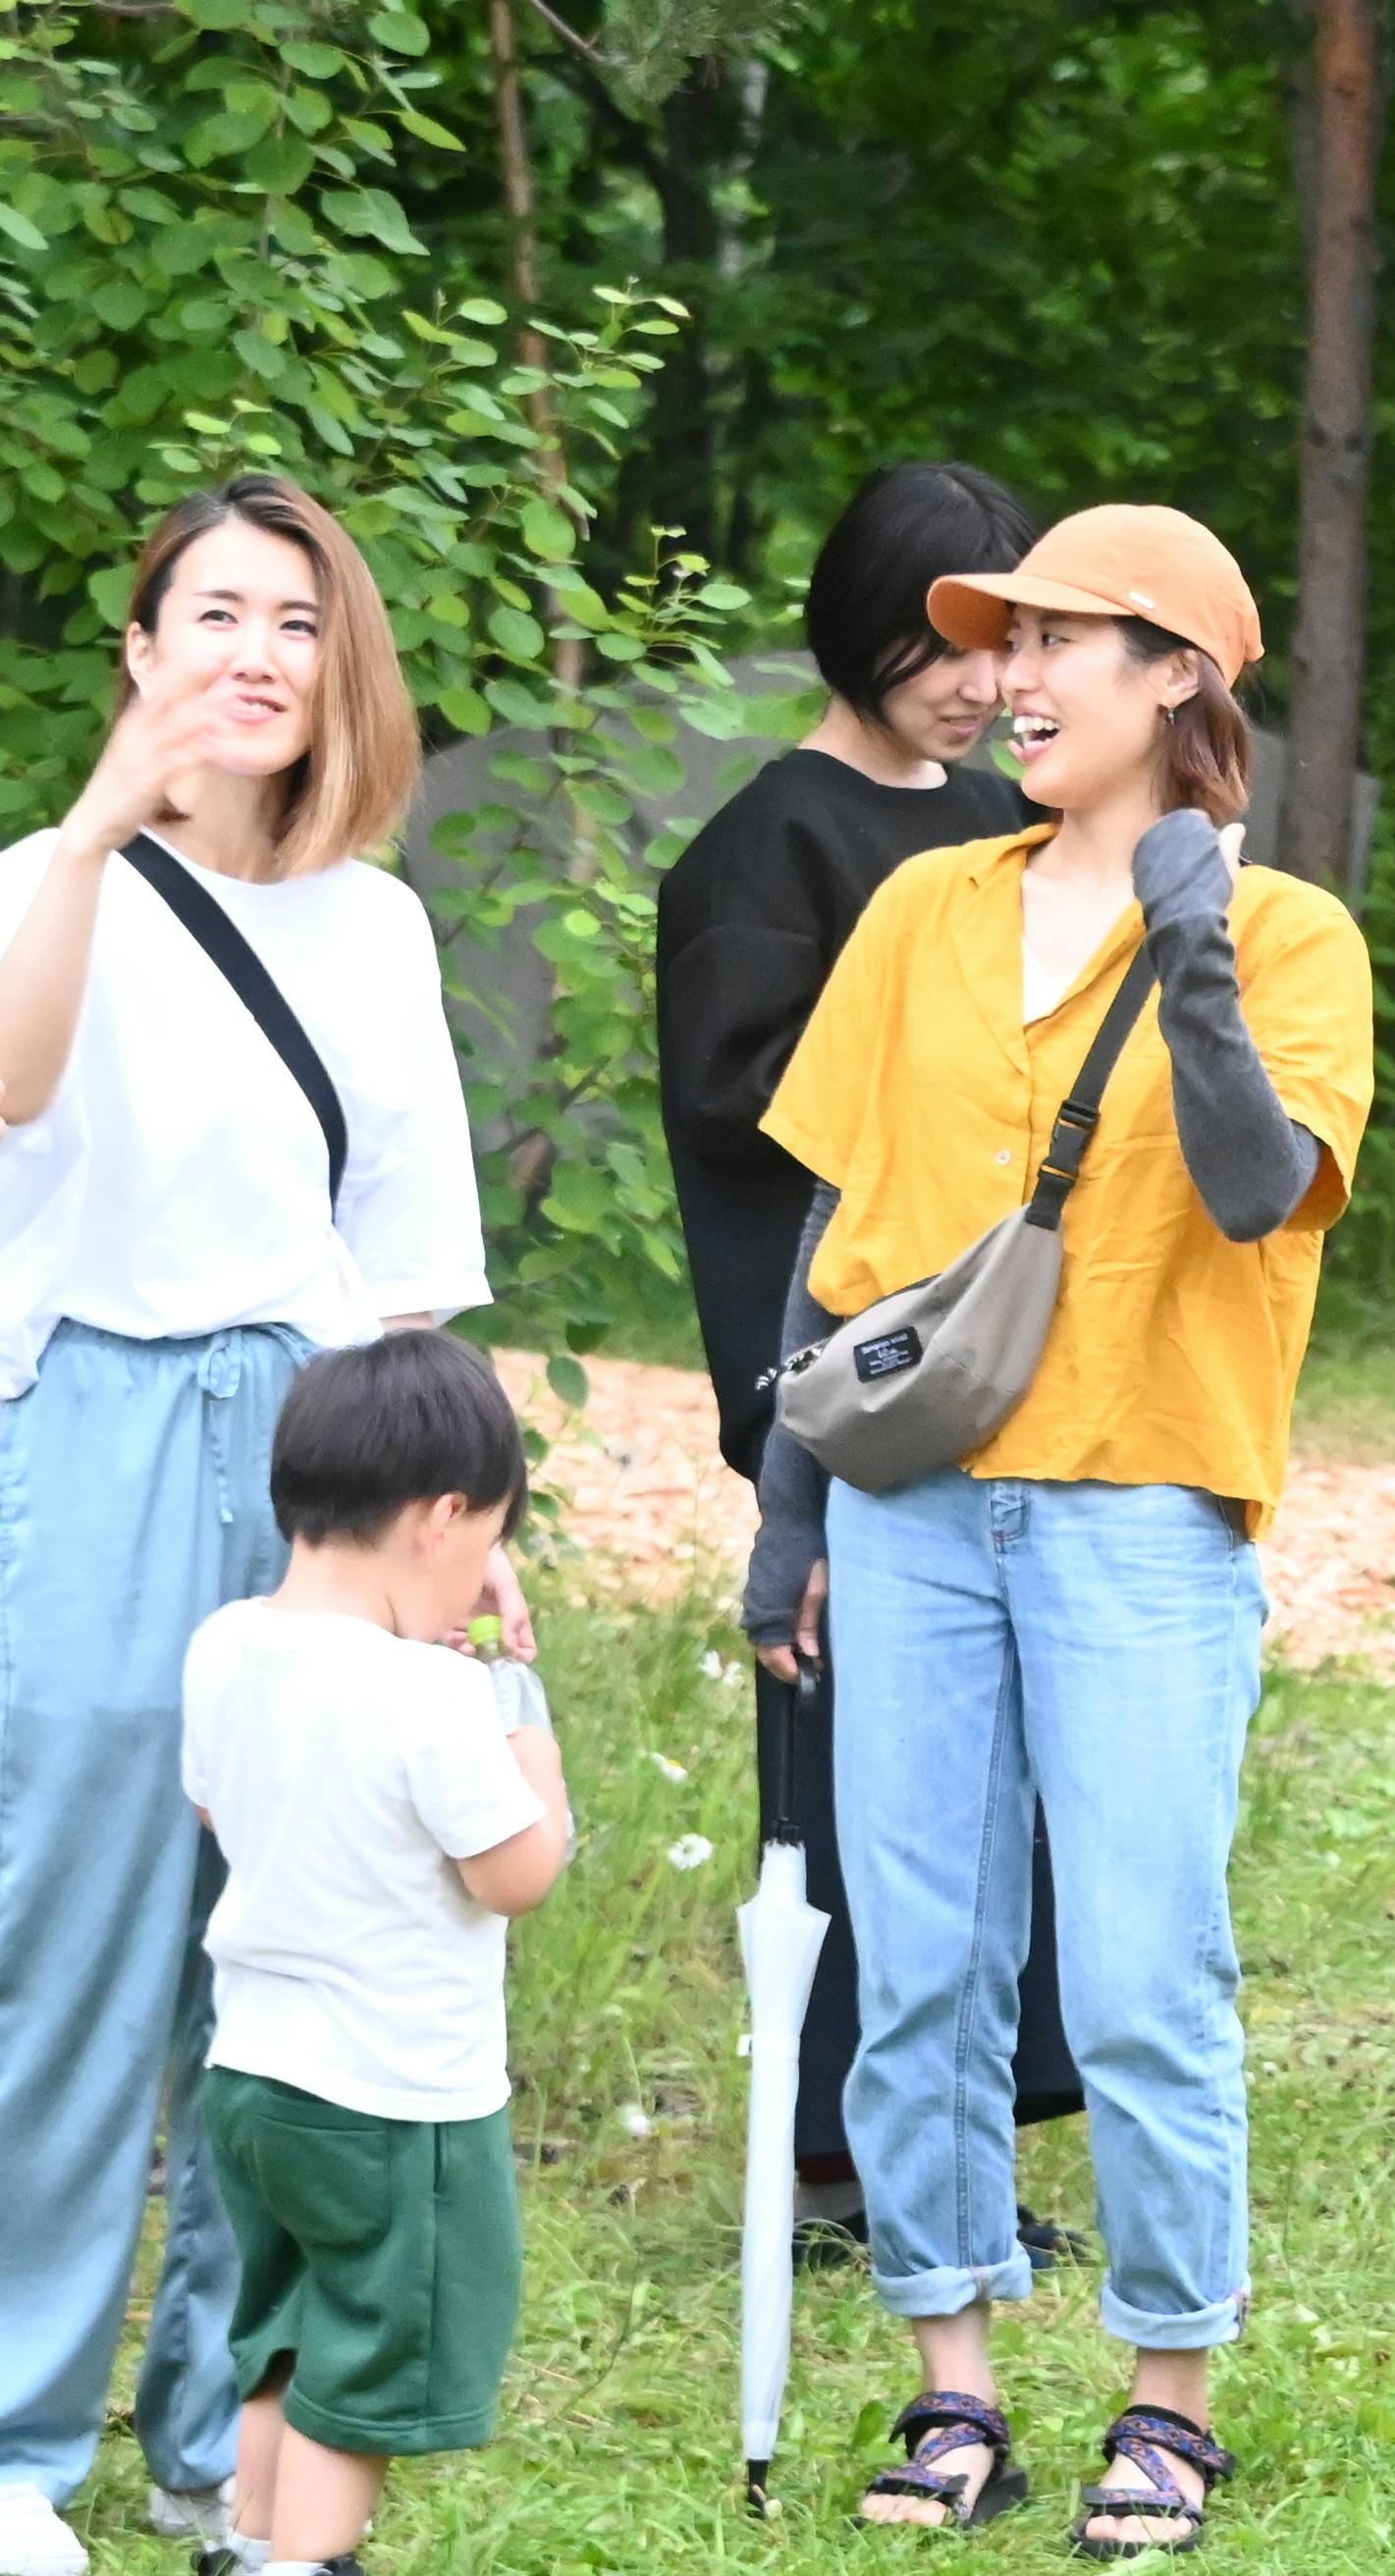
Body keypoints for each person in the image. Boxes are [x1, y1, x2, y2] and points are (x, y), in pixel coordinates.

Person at [740, 505, 1370, 2552]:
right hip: (911, 1509)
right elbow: (838, 1228)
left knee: (1139, 1974)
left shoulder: (1290, 935)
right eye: (997, 645)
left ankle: (1171, 2394)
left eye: (1054, 642)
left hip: (1143, 1504)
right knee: (921, 1960)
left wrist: (1193, 951)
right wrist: (788, 1514)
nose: (1007, 680)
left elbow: (1261, 1187)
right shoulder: (923, 906)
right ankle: (955, 2379)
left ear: (1178, 674)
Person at [0, 477, 498, 2576]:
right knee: (68, 1933)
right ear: (141, 649)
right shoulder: (47, 881)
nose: (257, 654)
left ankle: (220, 2435)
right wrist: (99, 827)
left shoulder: (374, 925)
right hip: (92, 1415)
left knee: (290, 1945)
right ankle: (17, 2440)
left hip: (323, 1438)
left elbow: (407, 1261)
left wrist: (457, 1526)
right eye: (214, 612)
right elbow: (13, 1089)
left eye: (298, 620)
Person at [654, 460, 1088, 2261]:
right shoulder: (765, 848)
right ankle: (841, 2162)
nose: (978, 683)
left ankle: (958, 2147)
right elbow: (761, 1146)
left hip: (1023, 1370)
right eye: (940, 642)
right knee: (852, 1787)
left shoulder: (1006, 816)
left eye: (1004, 643)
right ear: (858, 624)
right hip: (857, 1383)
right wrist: (796, 1449)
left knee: (996, 1782)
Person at [183, 1331, 567, 2576]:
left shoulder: (225, 1641)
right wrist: (522, 1715)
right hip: (392, 2098)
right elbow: (517, 1872)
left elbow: (214, 1805)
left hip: (253, 2075)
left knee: (287, 2325)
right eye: (485, 1542)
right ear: (443, 1517)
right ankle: (308, 2562)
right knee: (370, 2355)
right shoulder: (433, 1695)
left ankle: (249, 2544)